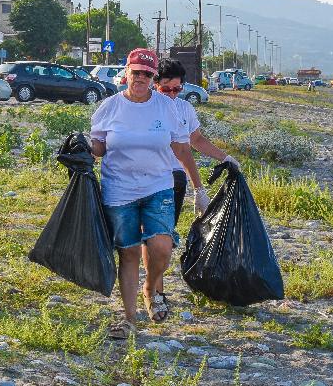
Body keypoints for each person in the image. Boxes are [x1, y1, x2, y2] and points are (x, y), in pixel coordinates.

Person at [90, 48, 194, 338]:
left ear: (153, 77)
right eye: (136, 72)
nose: (140, 78)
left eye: (147, 74)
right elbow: (99, 147)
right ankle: (129, 318)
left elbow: (181, 147)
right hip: (118, 189)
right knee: (129, 252)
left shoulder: (166, 106)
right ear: (126, 73)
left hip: (157, 186)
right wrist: (86, 147)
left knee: (161, 246)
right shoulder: (110, 107)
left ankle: (151, 286)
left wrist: (198, 187)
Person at [154, 58, 239, 223]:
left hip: (176, 180)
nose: (171, 94)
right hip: (150, 179)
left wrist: (225, 158)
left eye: (177, 89)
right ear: (155, 84)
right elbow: (181, 149)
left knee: (165, 233)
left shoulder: (185, 108)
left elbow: (196, 139)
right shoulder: (147, 107)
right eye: (166, 89)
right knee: (151, 235)